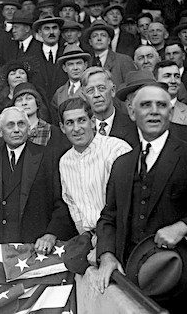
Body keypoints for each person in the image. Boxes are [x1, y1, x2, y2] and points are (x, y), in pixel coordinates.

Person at [95, 82, 187, 312]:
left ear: (170, 113)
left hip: (184, 283)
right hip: (133, 282)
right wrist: (107, 254)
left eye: (161, 105)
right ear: (132, 113)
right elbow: (108, 217)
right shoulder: (122, 163)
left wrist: (184, 226)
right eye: (145, 105)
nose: (154, 110)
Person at [0, 106, 77, 248]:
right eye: (10, 125)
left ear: (29, 129)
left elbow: (63, 201)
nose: (17, 129)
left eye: (21, 124)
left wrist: (51, 234)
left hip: (36, 246)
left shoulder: (48, 157)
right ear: (0, 132)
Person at [57, 97, 130, 260]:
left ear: (92, 121)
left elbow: (127, 203)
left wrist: (105, 242)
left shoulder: (116, 149)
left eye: (81, 120)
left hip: (122, 238)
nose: (76, 128)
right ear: (62, 128)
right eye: (69, 123)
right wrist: (89, 239)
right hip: (91, 241)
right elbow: (72, 204)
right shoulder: (65, 161)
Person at [85, 19, 136, 88]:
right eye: (95, 36)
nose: (99, 38)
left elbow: (132, 87)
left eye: (103, 35)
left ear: (109, 40)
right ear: (90, 42)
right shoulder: (86, 63)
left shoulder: (124, 60)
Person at [154, 60, 187, 132]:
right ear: (155, 81)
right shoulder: (144, 109)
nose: (173, 81)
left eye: (177, 76)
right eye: (167, 76)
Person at [13, 82, 62, 147]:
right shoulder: (11, 131)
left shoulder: (52, 131)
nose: (24, 103)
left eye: (29, 98)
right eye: (19, 100)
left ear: (37, 103)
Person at [51, 44, 90, 114]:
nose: (75, 68)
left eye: (79, 63)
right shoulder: (59, 93)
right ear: (64, 68)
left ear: (85, 65)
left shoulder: (90, 89)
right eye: (70, 64)